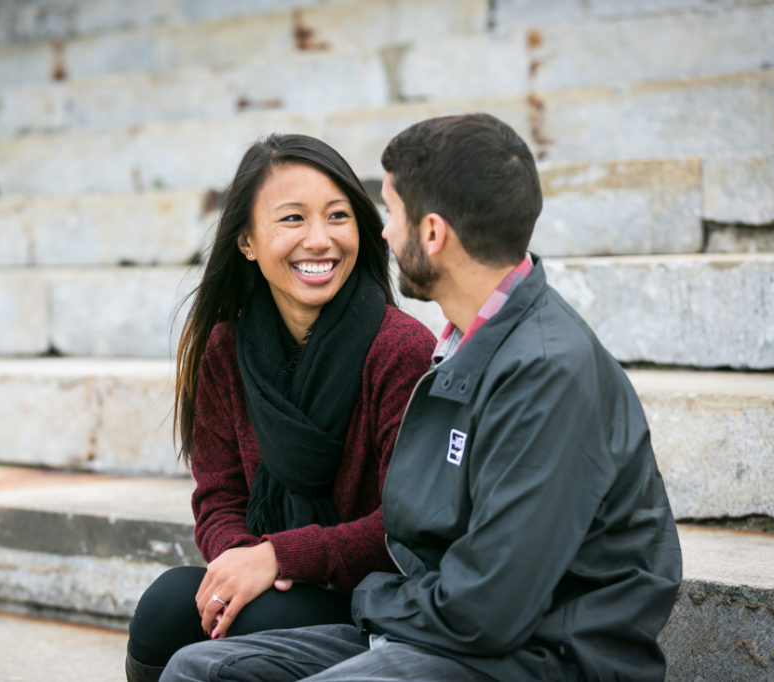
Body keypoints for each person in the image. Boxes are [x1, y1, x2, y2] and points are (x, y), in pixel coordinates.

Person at [160, 113, 683, 681]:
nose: (380, 232)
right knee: (198, 671)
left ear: (431, 234)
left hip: (544, 656)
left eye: (391, 213)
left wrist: (358, 595)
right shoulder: (467, 350)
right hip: (439, 630)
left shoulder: (546, 372)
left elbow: (489, 605)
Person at [124, 133, 437, 681]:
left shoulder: (399, 350)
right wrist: (241, 561)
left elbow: (404, 528)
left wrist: (278, 560)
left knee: (253, 620)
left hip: (374, 593)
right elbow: (218, 498)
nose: (320, 240)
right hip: (279, 572)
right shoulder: (226, 349)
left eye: (337, 216)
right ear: (246, 241)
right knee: (164, 608)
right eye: (292, 219)